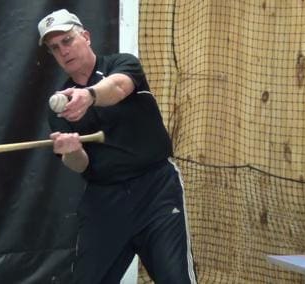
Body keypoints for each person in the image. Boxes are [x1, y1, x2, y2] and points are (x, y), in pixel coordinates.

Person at [38, 9, 197, 284]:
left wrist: (89, 96)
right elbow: (80, 165)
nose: (63, 51)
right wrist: (72, 150)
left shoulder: (121, 64)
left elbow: (119, 88)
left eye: (67, 40)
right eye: (55, 48)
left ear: (85, 37)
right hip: (104, 201)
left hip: (156, 192)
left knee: (175, 279)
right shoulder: (58, 107)